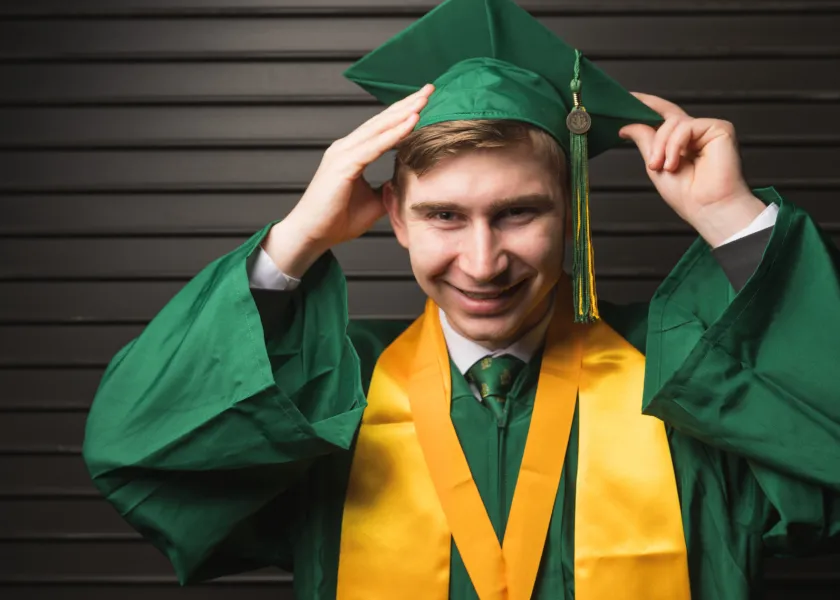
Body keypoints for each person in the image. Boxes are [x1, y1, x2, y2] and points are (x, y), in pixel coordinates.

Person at [82, 0, 840, 598]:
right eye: (444, 215)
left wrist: (730, 219)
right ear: (394, 217)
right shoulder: (325, 393)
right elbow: (141, 451)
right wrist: (295, 240)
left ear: (572, 212)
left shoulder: (690, 381)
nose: (483, 263)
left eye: (519, 213)